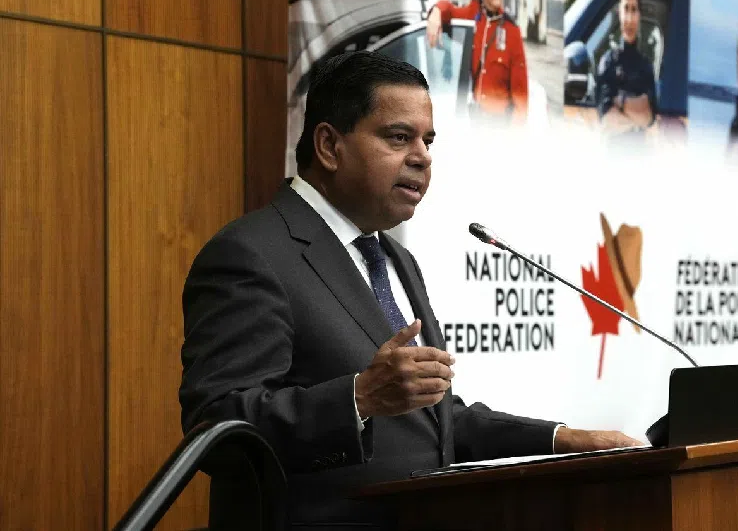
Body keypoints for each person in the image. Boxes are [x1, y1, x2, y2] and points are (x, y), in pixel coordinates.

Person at [178, 51, 642, 529]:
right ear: (328, 146)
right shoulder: (253, 254)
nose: (422, 156)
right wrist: (356, 399)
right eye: (399, 137)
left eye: (428, 140)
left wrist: (563, 440)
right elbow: (216, 426)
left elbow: (435, 423)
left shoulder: (395, 260)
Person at [425, 0, 528, 124]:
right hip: (474, 122)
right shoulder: (472, 16)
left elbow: (521, 100)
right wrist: (436, 12)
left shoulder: (512, 32)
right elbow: (449, 9)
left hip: (499, 128)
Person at [595, 0, 658, 138]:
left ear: (639, 14)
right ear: (619, 12)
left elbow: (648, 118)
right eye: (626, 8)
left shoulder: (646, 66)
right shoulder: (608, 62)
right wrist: (636, 117)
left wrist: (620, 101)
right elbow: (607, 119)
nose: (629, 18)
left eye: (634, 9)